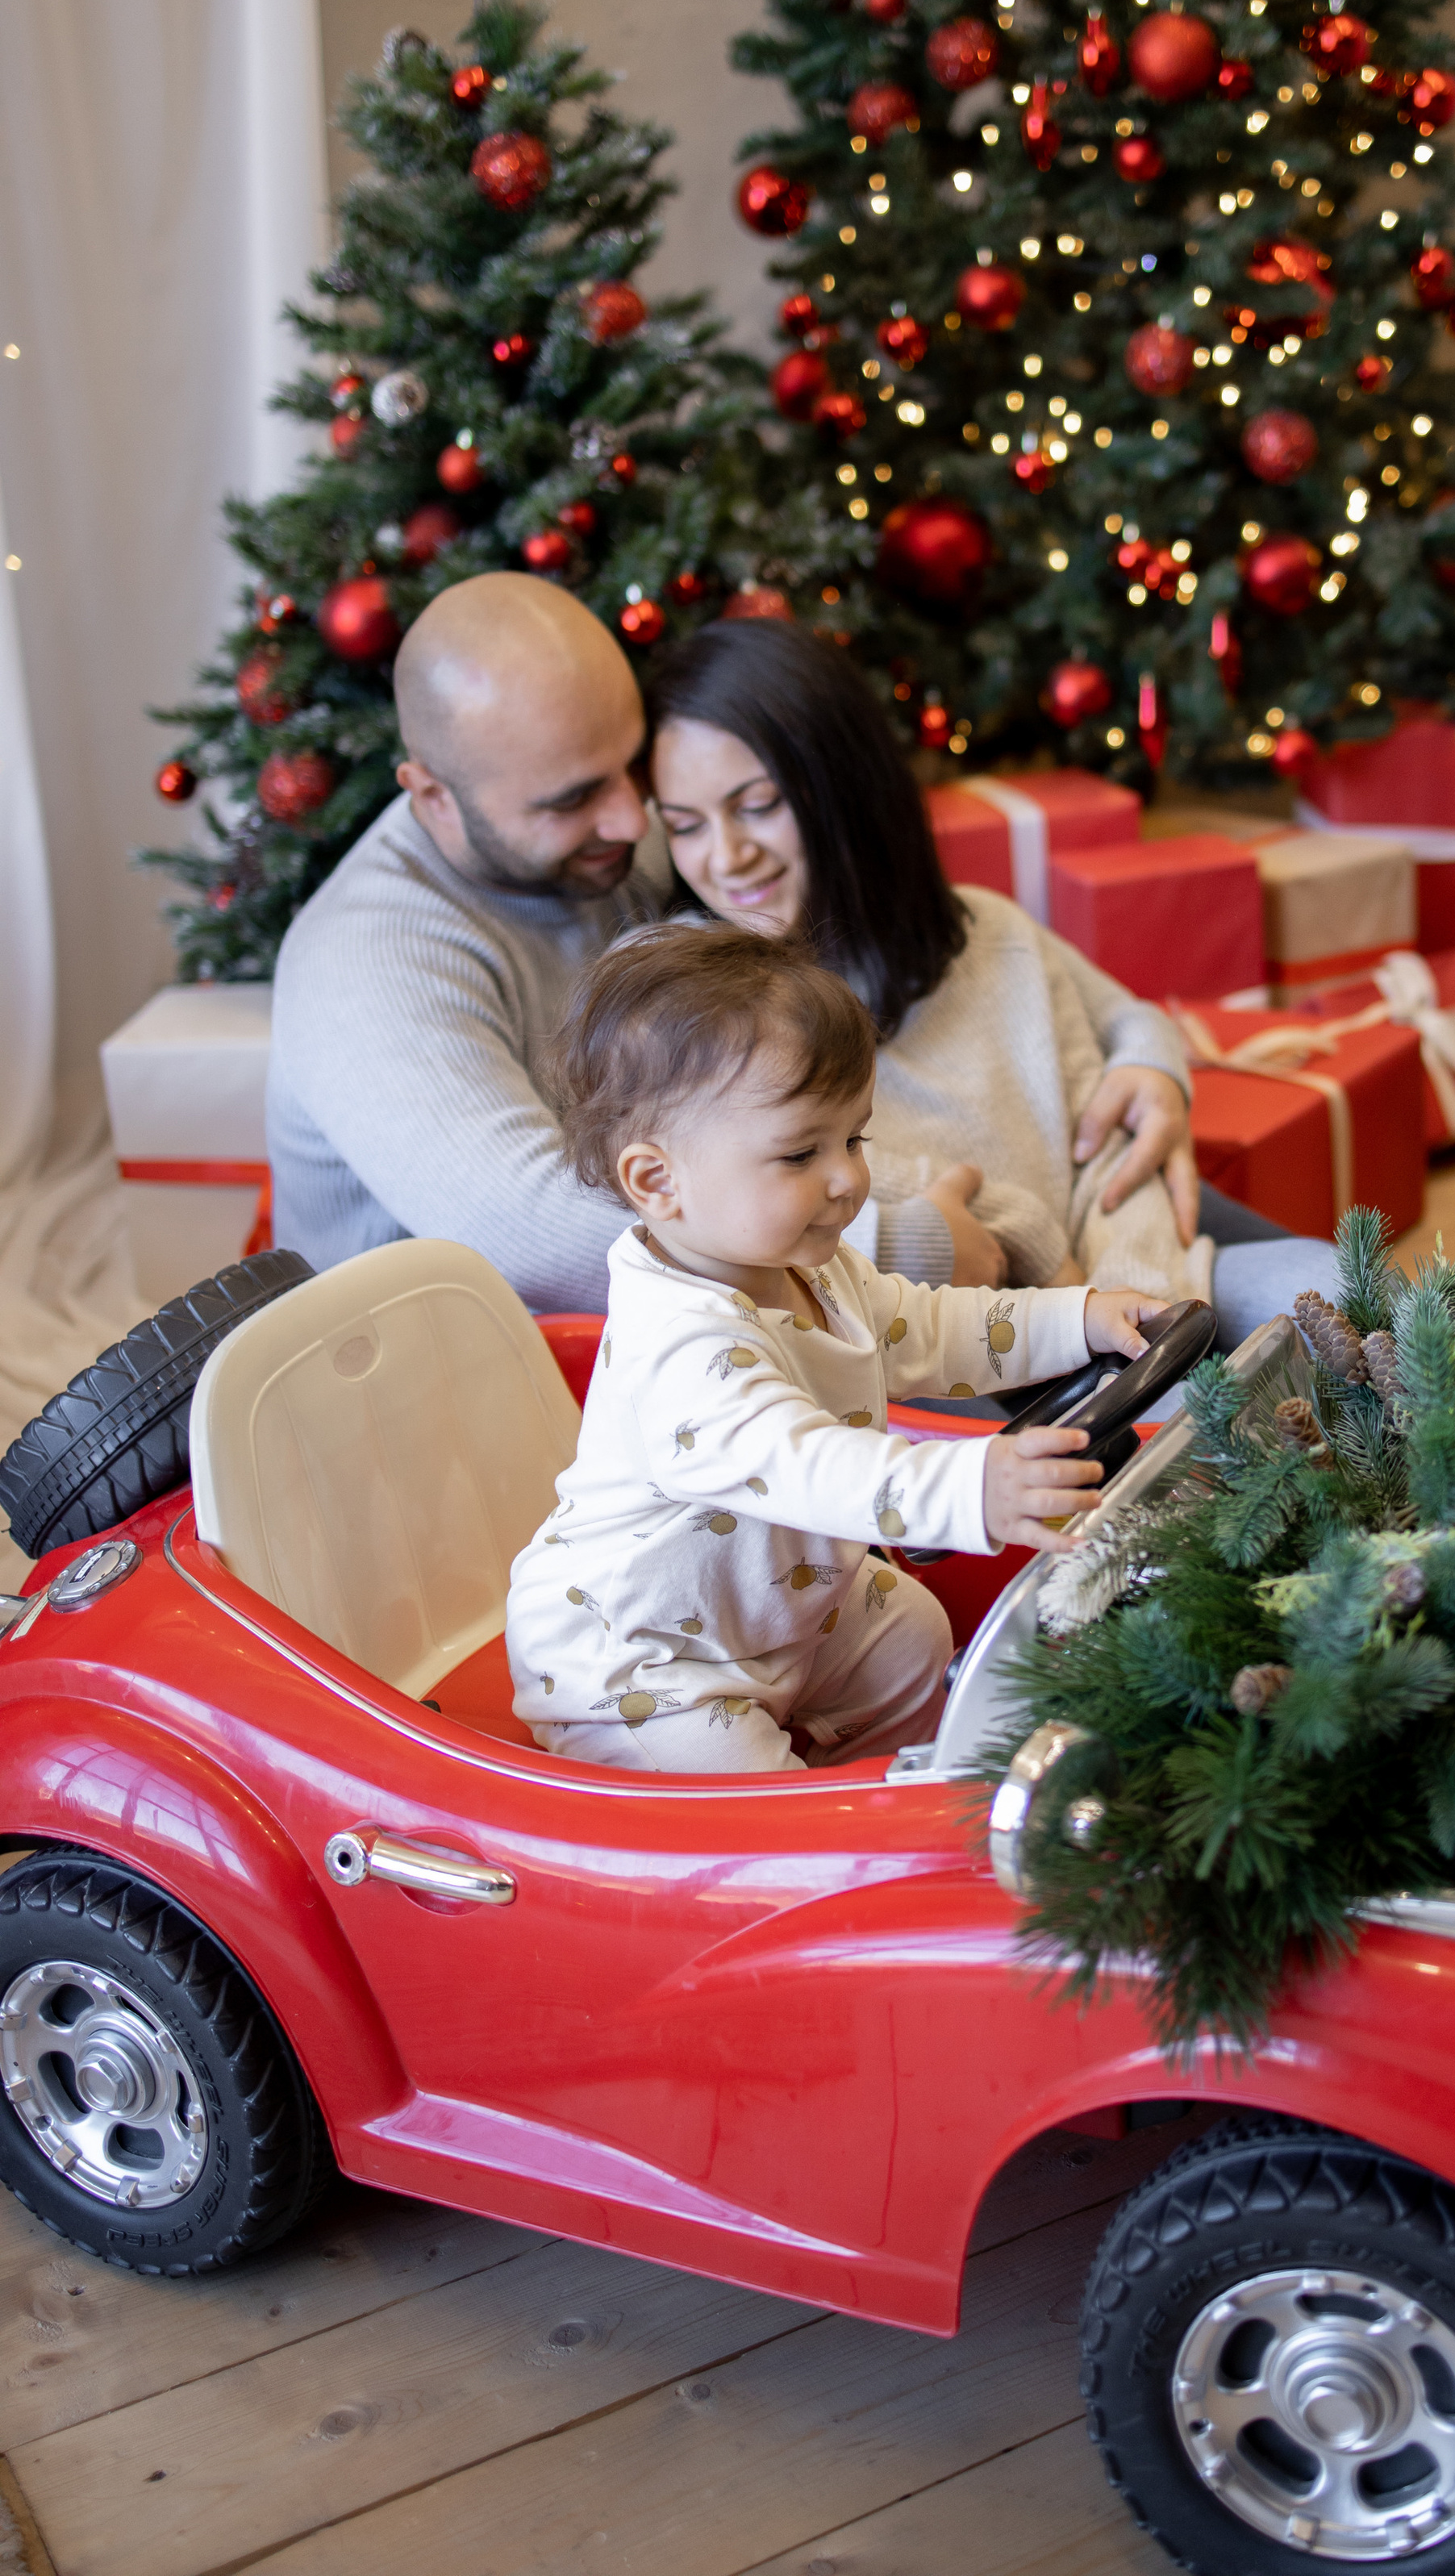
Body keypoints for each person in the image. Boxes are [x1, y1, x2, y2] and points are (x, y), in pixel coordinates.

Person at [503, 921, 1156, 1774]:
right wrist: (970, 1485)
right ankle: (814, 1832)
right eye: (800, 1153)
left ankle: (902, 1788)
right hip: (644, 1660)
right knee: (741, 1790)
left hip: (782, 1603)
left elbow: (930, 1329)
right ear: (657, 1181)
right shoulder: (681, 1350)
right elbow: (809, 1463)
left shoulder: (807, 1266)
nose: (849, 1178)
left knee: (911, 1633)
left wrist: (1075, 1320)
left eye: (854, 1138)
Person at [644, 617, 1334, 1347]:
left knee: (1347, 1292)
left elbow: (1117, 1041)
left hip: (1122, 1276)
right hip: (956, 1346)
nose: (726, 857)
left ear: (842, 785)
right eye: (686, 826)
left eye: (758, 806)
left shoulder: (988, 931)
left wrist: (1151, 1074)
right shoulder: (694, 1007)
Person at [267, 574, 668, 1310]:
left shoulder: (606, 842)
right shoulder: (364, 955)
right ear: (432, 798)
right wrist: (882, 1252)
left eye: (633, 765)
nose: (634, 822)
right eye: (572, 799)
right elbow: (536, 1241)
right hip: (409, 1380)